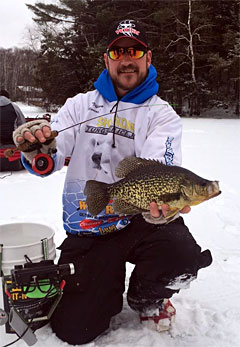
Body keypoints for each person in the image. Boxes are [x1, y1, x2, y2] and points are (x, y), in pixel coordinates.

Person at [12, 19, 212, 345]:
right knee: (77, 330)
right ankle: (103, 280)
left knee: (181, 255)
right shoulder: (79, 105)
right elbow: (50, 155)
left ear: (148, 58)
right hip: (89, 224)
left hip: (139, 221)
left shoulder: (161, 115)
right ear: (107, 59)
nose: (126, 58)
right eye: (118, 51)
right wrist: (37, 149)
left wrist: (159, 207)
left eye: (134, 50)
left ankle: (146, 297)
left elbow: (160, 167)